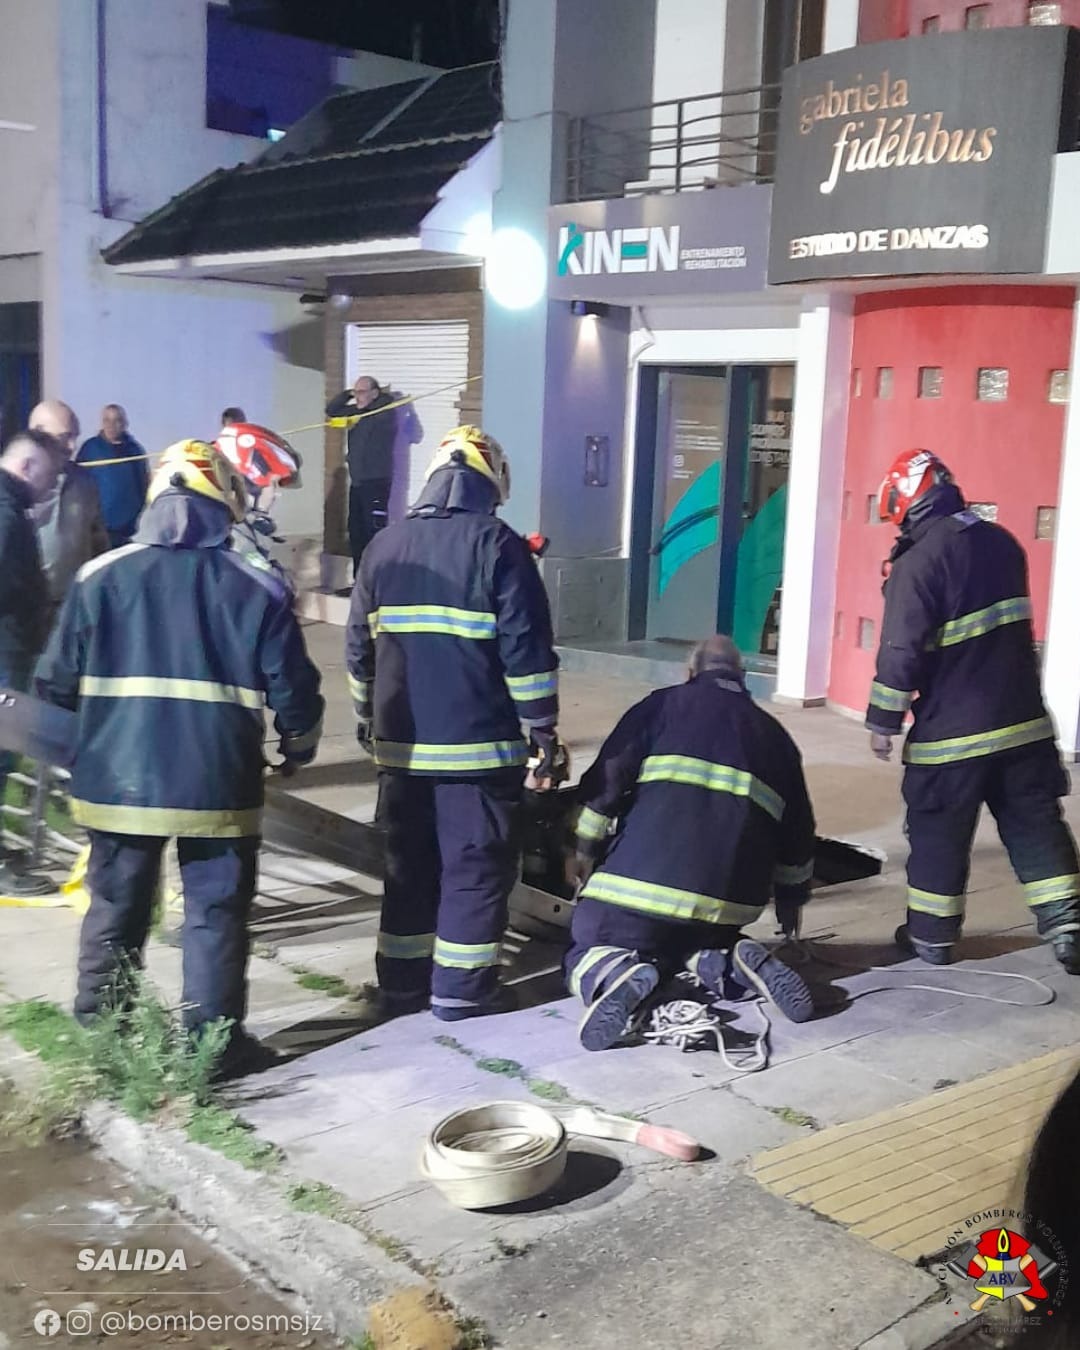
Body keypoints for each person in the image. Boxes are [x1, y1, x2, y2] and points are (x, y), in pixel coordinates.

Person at [34, 439, 324, 1075]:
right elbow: (295, 693)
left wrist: (70, 756)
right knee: (216, 916)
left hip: (115, 782)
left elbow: (54, 684)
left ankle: (102, 1040)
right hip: (217, 783)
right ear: (223, 504)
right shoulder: (257, 586)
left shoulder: (98, 577)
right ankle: (212, 1051)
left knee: (115, 910)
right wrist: (298, 747)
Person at [346, 425, 564, 1022]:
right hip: (477, 749)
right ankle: (462, 991)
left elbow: (358, 651)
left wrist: (368, 717)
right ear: (490, 483)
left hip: (400, 750)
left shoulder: (384, 546)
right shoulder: (498, 545)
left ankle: (401, 986)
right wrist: (541, 730)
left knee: (408, 868)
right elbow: (526, 651)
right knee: (472, 867)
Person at [866, 450, 1080, 973]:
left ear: (908, 499)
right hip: (1024, 725)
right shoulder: (1002, 544)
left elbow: (901, 650)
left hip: (951, 738)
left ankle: (932, 938)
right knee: (1036, 825)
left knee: (939, 832)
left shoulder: (919, 563)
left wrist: (882, 720)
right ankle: (1069, 927)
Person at [564, 636, 816, 1051]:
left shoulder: (660, 706)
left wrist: (584, 851)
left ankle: (612, 973)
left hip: (639, 891)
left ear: (689, 672)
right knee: (691, 943)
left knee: (589, 938)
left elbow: (606, 784)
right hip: (726, 907)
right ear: (744, 678)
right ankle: (731, 962)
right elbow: (798, 835)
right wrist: (791, 903)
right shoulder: (778, 739)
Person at [0, 431, 63, 829]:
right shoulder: (5, 513)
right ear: (27, 466)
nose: (54, 485)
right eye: (51, 475)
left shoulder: (12, 508)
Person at [28, 400, 108, 613]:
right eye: (64, 437)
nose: (72, 446)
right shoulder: (12, 483)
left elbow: (98, 540)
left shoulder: (85, 483)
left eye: (75, 436)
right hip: (22, 608)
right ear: (37, 434)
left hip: (72, 603)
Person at [326, 375, 397, 575]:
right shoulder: (355, 412)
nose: (358, 397)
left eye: (362, 392)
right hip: (357, 483)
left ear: (375, 393)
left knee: (373, 533)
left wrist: (375, 400)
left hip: (376, 483)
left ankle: (377, 580)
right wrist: (348, 394)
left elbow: (384, 406)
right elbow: (331, 411)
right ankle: (359, 581)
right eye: (356, 392)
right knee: (356, 533)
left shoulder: (384, 413)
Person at [75, 404, 149, 548]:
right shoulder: (90, 448)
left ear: (125, 423)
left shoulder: (135, 450)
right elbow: (78, 484)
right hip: (99, 529)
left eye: (117, 420)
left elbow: (143, 485)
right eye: (107, 420)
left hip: (130, 531)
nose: (111, 425)